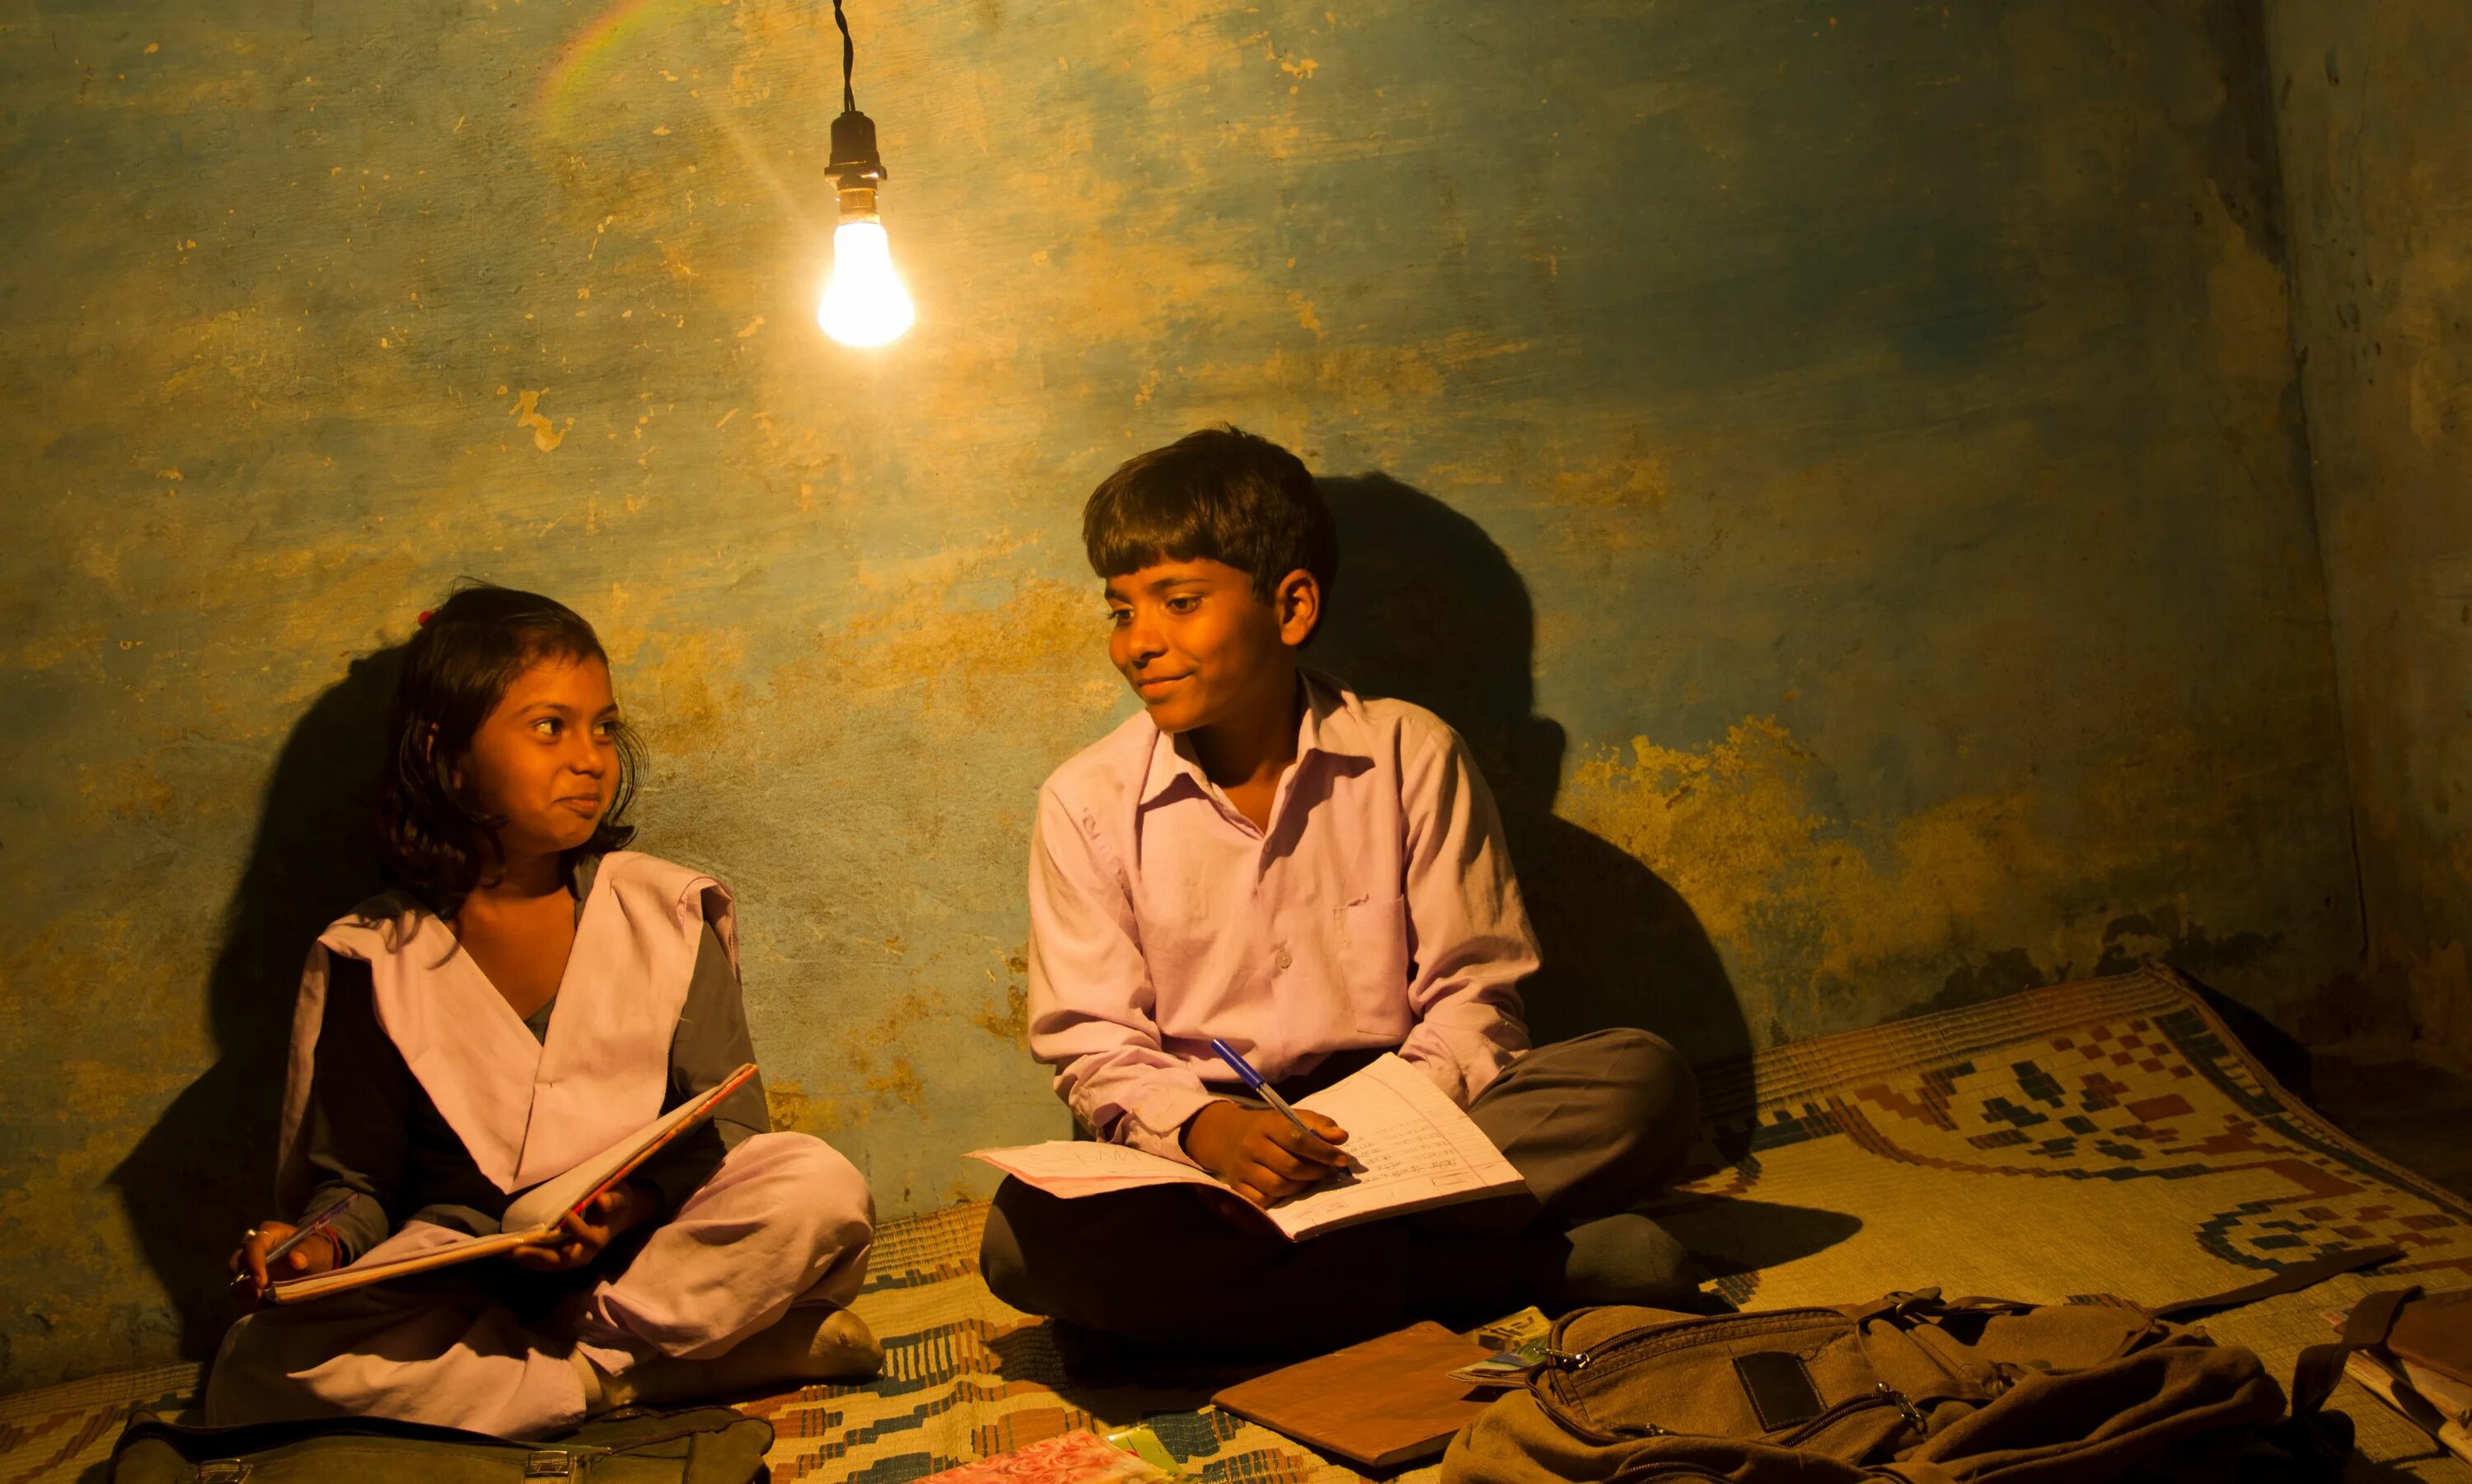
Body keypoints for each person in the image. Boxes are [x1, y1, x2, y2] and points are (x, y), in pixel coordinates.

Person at [976, 427, 1702, 1357]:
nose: (1137, 644)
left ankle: (1209, 1320)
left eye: (1179, 602)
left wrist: (1384, 1128)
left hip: (1411, 1121)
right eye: (1120, 611)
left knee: (1640, 1081)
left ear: (1291, 606)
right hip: (1208, 1157)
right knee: (1019, 1240)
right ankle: (1509, 1272)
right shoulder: (1086, 802)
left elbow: (1475, 996)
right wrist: (1209, 1130)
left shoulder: (1410, 754)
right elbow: (1096, 1045)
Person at [206, 585, 879, 1437]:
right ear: (445, 755)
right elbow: (359, 1184)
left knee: (815, 1183)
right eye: (550, 727)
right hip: (460, 1275)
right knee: (257, 1364)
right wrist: (313, 1246)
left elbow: (734, 1125)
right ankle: (641, 1376)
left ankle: (571, 1365)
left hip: (642, 1258)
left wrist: (627, 1208)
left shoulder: (664, 910)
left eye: (603, 727)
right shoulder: (372, 956)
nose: (591, 758)